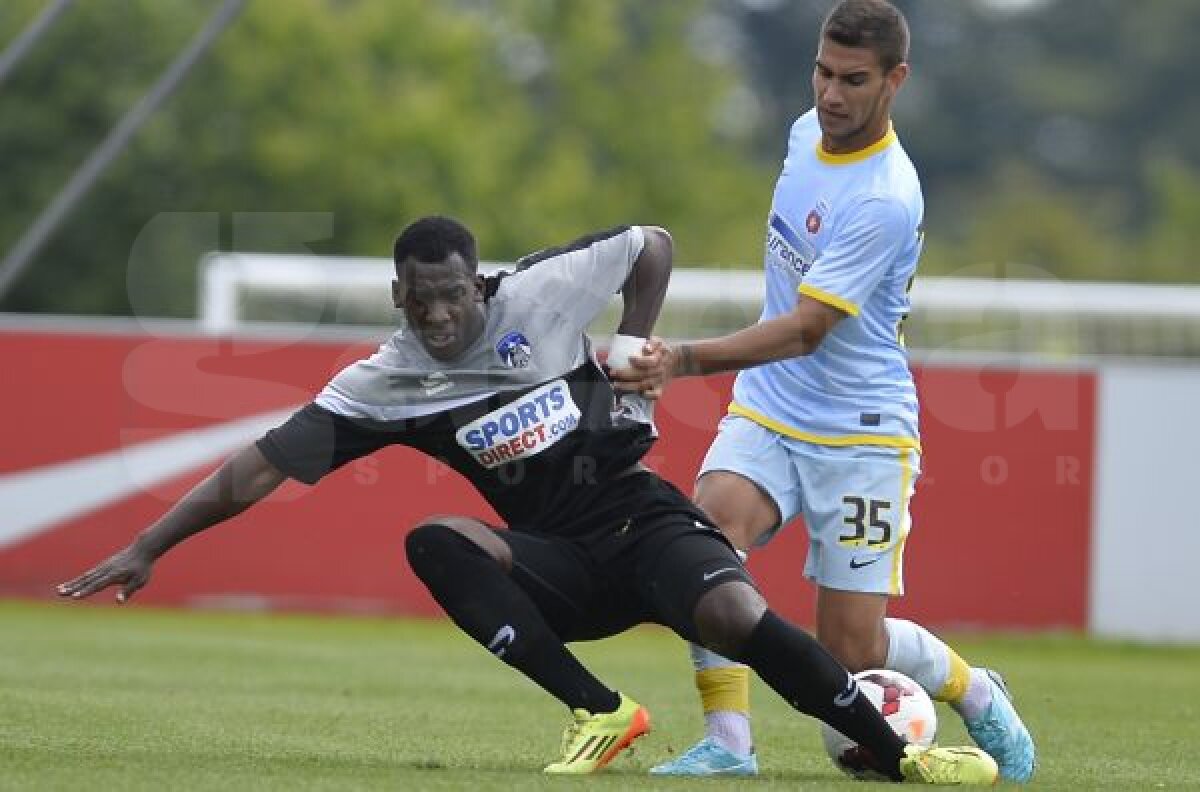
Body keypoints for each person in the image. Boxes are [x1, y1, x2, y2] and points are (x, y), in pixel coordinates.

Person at [58, 216, 997, 783]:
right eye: (418, 302)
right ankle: (601, 712)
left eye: (451, 298)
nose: (436, 318)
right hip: (560, 561)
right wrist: (151, 544)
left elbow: (650, 246)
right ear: (398, 293)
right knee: (437, 538)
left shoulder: (542, 292)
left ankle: (900, 752)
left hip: (641, 518)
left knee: (733, 610)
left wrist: (635, 351)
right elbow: (258, 465)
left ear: (480, 282)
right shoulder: (383, 382)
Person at [613, 0, 1036, 783]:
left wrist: (684, 360)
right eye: (821, 72)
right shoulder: (804, 135)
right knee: (702, 549)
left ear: (895, 80)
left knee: (851, 648)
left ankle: (976, 688)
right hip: (773, 406)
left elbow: (809, 328)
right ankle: (730, 744)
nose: (830, 94)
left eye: (852, 79)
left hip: (864, 431)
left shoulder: (885, 196)